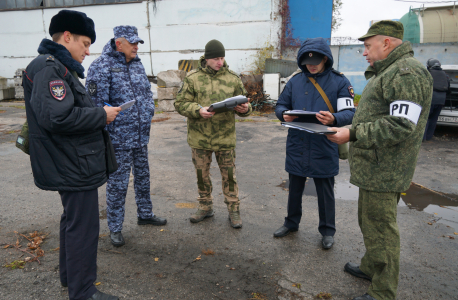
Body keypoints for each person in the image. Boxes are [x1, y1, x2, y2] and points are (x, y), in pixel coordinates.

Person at [327, 21, 433, 300]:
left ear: (386, 43)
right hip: (374, 166)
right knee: (369, 222)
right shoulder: (388, 72)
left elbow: (400, 125)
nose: (364, 52)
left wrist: (352, 132)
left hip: (385, 169)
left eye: (367, 45)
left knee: (382, 229)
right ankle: (371, 266)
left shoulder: (406, 73)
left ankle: (383, 291)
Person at [22, 10, 121, 300]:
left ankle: (70, 279)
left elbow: (61, 113)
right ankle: (83, 292)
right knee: (83, 227)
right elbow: (58, 119)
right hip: (71, 163)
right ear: (67, 37)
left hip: (71, 161)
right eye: (85, 43)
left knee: (73, 221)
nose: (88, 51)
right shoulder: (49, 68)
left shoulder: (58, 67)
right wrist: (101, 115)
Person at [86, 26, 166, 247]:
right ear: (118, 43)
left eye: (137, 42)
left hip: (140, 136)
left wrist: (149, 111)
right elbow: (95, 105)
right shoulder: (101, 66)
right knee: (118, 185)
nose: (136, 46)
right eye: (132, 43)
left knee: (143, 178)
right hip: (117, 140)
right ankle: (115, 227)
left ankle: (145, 214)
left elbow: (147, 95)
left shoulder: (138, 65)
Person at [274, 37, 355, 249]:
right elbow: (280, 105)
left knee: (325, 192)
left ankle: (328, 231)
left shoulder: (340, 82)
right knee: (294, 189)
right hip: (298, 144)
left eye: (316, 61)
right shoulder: (295, 81)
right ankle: (291, 223)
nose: (311, 64)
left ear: (326, 59)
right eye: (307, 61)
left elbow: (350, 112)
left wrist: (335, 119)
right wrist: (284, 115)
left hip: (324, 145)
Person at [174, 39, 252, 228]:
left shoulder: (233, 78)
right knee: (202, 176)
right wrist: (198, 110)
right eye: (216, 58)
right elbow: (180, 104)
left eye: (222, 58)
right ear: (207, 59)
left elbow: (246, 104)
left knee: (230, 176)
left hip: (225, 138)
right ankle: (205, 206)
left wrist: (245, 109)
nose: (220, 62)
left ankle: (234, 210)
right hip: (200, 138)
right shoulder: (192, 78)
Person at [423, 58, 450, 141]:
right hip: (441, 100)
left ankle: (422, 138)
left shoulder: (428, 74)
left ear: (429, 66)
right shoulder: (445, 75)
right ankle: (428, 137)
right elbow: (448, 88)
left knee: (425, 118)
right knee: (433, 119)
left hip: (430, 99)